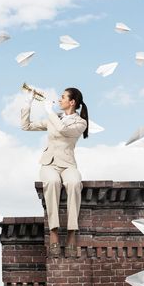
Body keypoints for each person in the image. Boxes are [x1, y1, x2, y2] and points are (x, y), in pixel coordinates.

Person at [21, 87, 89, 257]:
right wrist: (28, 102)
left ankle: (72, 232)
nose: (59, 100)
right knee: (52, 182)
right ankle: (53, 231)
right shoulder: (54, 118)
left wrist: (49, 111)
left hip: (68, 164)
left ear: (72, 102)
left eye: (63, 97)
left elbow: (63, 130)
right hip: (49, 163)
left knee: (74, 183)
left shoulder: (80, 122)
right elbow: (26, 126)